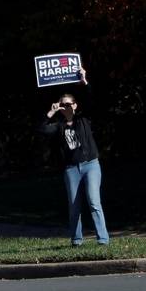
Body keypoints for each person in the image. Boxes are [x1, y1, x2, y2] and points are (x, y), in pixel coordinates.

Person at [37, 68, 109, 245]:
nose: (66, 106)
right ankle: (76, 240)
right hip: (71, 169)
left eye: (69, 103)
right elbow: (41, 129)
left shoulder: (83, 119)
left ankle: (103, 239)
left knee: (93, 201)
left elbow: (92, 101)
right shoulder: (59, 126)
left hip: (90, 164)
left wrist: (84, 81)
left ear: (75, 105)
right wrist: (51, 112)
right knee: (74, 206)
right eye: (63, 104)